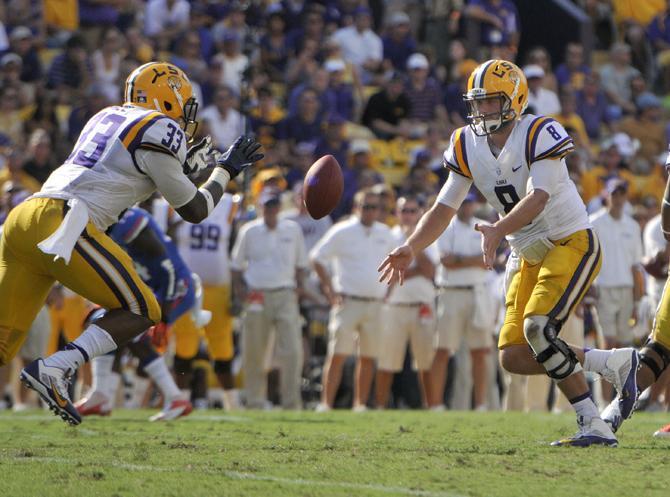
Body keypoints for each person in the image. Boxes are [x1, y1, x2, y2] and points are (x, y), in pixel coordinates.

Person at [378, 59, 638, 446]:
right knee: (514, 356)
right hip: (526, 252)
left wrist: (499, 230)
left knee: (538, 329)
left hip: (569, 240)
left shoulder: (539, 130)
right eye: (477, 102)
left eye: (491, 102)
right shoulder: (464, 141)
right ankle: (611, 362)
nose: (482, 111)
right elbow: (443, 207)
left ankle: (592, 422)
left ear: (515, 99)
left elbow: (539, 197)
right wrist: (411, 246)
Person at [6, 61, 262, 425]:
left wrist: (185, 167)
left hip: (25, 215)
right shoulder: (160, 128)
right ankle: (57, 366)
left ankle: (70, 376)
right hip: (65, 221)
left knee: (3, 343)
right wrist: (226, 169)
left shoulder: (107, 115)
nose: (186, 117)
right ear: (169, 99)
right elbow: (195, 208)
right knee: (144, 309)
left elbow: (127, 169)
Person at [76, 206, 206, 421]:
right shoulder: (108, 223)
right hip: (153, 289)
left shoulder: (126, 220)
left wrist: (164, 311)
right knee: (103, 323)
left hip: (174, 288)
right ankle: (101, 394)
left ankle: (175, 398)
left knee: (132, 332)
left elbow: (166, 267)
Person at [311, 189, 396, 411]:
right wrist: (329, 290)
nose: (371, 211)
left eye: (375, 207)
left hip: (375, 302)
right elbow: (316, 258)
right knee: (337, 354)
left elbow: (398, 260)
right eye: (366, 207)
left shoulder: (386, 232)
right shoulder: (342, 230)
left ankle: (360, 404)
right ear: (356, 208)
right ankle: (326, 404)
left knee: (368, 357)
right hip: (347, 301)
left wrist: (389, 290)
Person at [231, 187, 307, 409]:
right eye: (267, 205)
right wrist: (240, 292)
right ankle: (255, 401)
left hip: (285, 293)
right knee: (254, 351)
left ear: (280, 207)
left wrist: (299, 288)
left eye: (274, 205)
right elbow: (236, 266)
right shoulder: (249, 231)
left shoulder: (292, 229)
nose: (271, 210)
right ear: (261, 206)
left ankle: (291, 403)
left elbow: (301, 264)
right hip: (256, 294)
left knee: (292, 351)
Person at [173, 190, 241, 410]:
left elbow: (234, 247)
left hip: (218, 287)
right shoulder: (177, 197)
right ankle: (180, 399)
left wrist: (237, 291)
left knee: (223, 346)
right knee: (185, 345)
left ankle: (231, 402)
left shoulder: (230, 203)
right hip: (187, 287)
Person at [432, 192, 493, 411]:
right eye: (462, 203)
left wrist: (460, 259)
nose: (465, 207)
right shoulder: (445, 226)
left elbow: (487, 260)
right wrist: (474, 260)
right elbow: (446, 261)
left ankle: (480, 404)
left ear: (475, 204)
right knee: (442, 349)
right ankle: (436, 404)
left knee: (480, 350)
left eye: (468, 203)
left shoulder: (484, 225)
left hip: (477, 292)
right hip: (451, 292)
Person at [375, 195, 437, 409]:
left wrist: (412, 245)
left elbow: (430, 270)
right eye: (405, 211)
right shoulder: (387, 236)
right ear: (397, 213)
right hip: (395, 306)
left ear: (419, 213)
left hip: (422, 305)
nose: (409, 215)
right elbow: (388, 274)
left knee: (426, 361)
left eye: (413, 211)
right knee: (387, 360)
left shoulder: (427, 237)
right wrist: (412, 268)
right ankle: (380, 406)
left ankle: (432, 407)